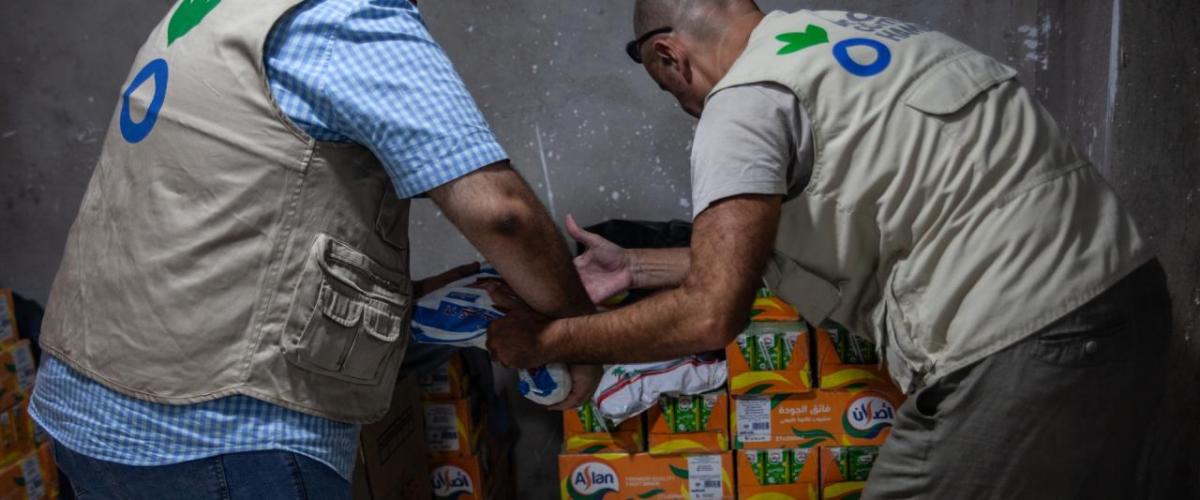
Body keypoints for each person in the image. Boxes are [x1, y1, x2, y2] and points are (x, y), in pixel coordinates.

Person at [487, 1, 1169, 497]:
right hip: (1128, 300)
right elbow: (757, 255)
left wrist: (550, 338)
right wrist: (635, 265)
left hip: (1022, 342)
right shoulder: (860, 39)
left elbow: (709, 316)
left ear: (669, 56)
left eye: (673, 92)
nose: (684, 107)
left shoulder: (744, 101)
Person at [31, 0, 598, 498]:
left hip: (86, 409)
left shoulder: (213, 10)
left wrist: (407, 302)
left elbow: (222, 215)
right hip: (216, 436)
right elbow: (503, 214)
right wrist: (579, 332)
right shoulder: (348, 16)